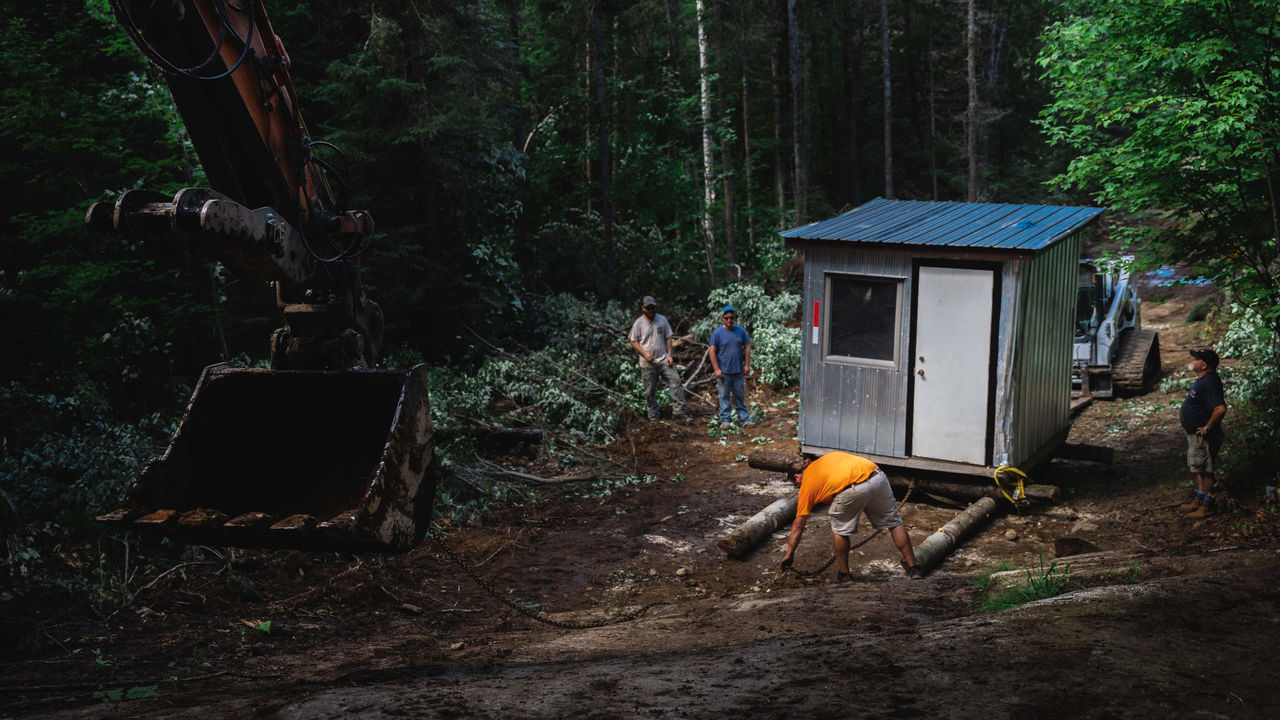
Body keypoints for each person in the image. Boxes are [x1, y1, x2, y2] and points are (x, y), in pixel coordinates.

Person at [779, 451, 923, 581]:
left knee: (840, 530)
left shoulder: (807, 485)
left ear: (797, 477)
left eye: (796, 484)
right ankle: (913, 568)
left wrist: (789, 554)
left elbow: (799, 524)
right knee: (894, 523)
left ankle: (844, 574)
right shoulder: (826, 458)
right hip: (876, 476)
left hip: (851, 489)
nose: (798, 487)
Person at [1178, 348, 1227, 518]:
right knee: (1199, 468)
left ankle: (1207, 506)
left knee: (1206, 470)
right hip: (1195, 435)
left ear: (1204, 364)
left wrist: (1207, 428)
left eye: (1196, 358)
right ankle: (1199, 499)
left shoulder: (1210, 382)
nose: (1192, 360)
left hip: (1203, 436)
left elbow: (1220, 409)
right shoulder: (1203, 380)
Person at [628, 295, 691, 422]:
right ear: (643, 308)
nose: (651, 311)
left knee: (676, 382)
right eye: (648, 308)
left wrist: (669, 355)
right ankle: (654, 417)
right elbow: (633, 341)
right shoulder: (639, 323)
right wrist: (645, 353)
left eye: (653, 308)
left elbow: (668, 337)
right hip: (647, 363)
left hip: (663, 359)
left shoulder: (662, 320)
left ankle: (679, 413)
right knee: (650, 391)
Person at [708, 305, 752, 429]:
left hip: (738, 370)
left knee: (740, 396)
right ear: (723, 318)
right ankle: (725, 421)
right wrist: (716, 369)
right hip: (724, 372)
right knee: (724, 396)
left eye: (731, 318)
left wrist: (747, 365)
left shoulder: (740, 331)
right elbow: (712, 351)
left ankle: (744, 419)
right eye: (726, 318)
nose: (729, 320)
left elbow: (747, 347)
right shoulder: (717, 333)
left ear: (734, 318)